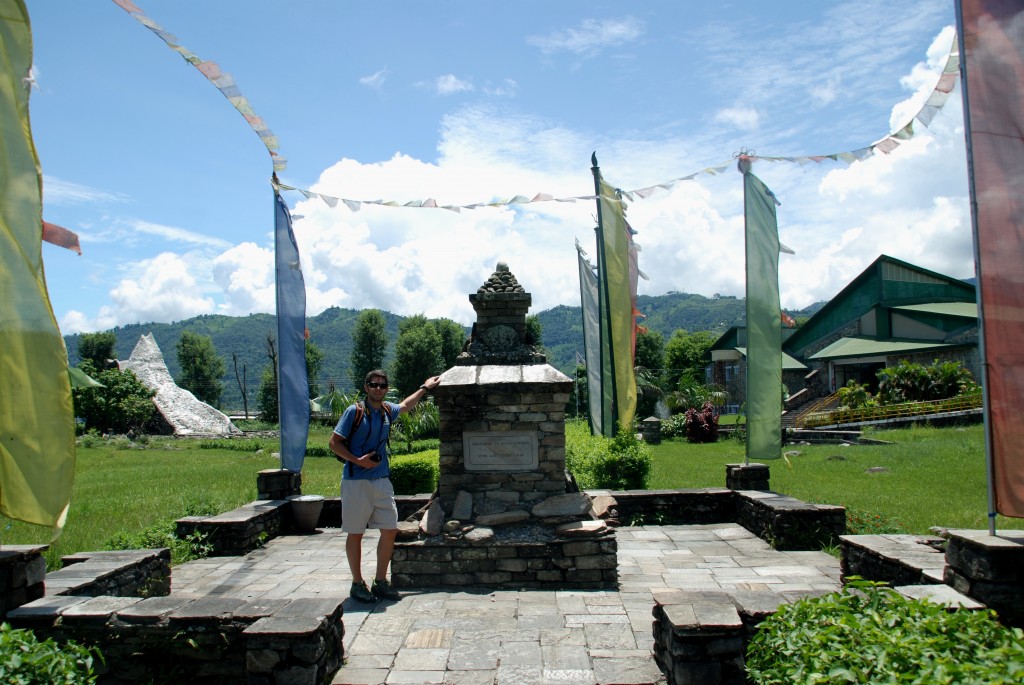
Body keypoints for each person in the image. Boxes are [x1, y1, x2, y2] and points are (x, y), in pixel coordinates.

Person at [329, 369, 441, 602]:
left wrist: (425, 386)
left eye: (382, 385)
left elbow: (406, 405)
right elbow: (334, 443)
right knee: (356, 533)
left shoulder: (387, 411)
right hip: (355, 482)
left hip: (381, 480)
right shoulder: (355, 412)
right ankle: (357, 583)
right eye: (374, 384)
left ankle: (380, 581)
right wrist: (358, 461)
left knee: (390, 529)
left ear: (386, 389)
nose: (378, 389)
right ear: (366, 387)